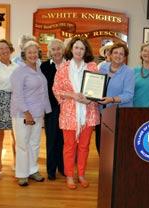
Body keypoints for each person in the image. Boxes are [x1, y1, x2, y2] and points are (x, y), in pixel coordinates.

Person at [52, 37, 99, 190]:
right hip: (69, 113)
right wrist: (73, 95)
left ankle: (81, 175)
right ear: (71, 49)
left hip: (88, 112)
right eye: (76, 47)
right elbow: (56, 90)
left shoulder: (92, 67)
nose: (79, 51)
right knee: (69, 146)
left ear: (86, 51)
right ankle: (70, 176)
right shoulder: (63, 68)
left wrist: (89, 99)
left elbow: (97, 90)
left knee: (85, 146)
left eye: (82, 48)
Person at [10, 41, 51, 186]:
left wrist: (46, 111)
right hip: (23, 114)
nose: (33, 55)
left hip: (38, 113)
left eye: (35, 52)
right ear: (24, 55)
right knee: (22, 144)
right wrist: (26, 112)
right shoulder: (19, 72)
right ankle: (22, 174)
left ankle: (33, 170)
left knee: (34, 143)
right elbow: (17, 95)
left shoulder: (38, 69)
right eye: (30, 52)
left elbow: (43, 92)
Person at [95, 42, 135, 153]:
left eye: (121, 54)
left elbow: (129, 94)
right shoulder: (103, 67)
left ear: (125, 57)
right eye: (115, 52)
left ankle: (116, 169)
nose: (118, 55)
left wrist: (111, 99)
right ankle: (105, 168)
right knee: (101, 143)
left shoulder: (129, 72)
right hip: (102, 113)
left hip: (119, 114)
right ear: (110, 54)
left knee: (117, 145)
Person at [0, 39, 18, 180]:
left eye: (6, 47)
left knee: (16, 136)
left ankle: (16, 163)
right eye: (1, 48)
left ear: (10, 49)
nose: (4, 50)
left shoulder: (17, 67)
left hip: (14, 102)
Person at [40, 39, 65, 180]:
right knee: (51, 139)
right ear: (50, 52)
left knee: (63, 140)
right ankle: (51, 170)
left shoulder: (69, 66)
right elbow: (42, 89)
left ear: (62, 50)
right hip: (50, 108)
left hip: (66, 108)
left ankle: (62, 167)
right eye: (53, 49)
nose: (56, 51)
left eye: (59, 48)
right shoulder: (44, 67)